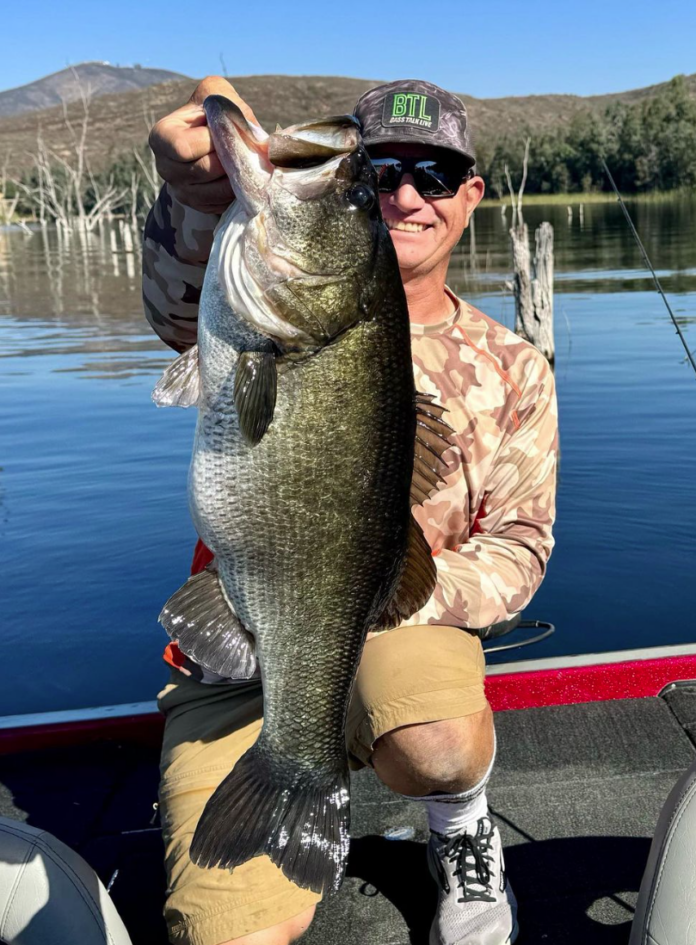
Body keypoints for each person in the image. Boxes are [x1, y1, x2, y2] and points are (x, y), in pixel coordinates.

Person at [143, 75, 558, 945]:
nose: (404, 195)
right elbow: (174, 310)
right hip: (237, 647)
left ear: (471, 195)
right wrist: (189, 195)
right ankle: (292, 783)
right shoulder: (249, 299)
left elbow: (521, 545)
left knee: (439, 743)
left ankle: (461, 825)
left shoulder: (516, 366)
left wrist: (378, 594)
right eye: (380, 173)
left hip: (401, 628)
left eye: (433, 175)